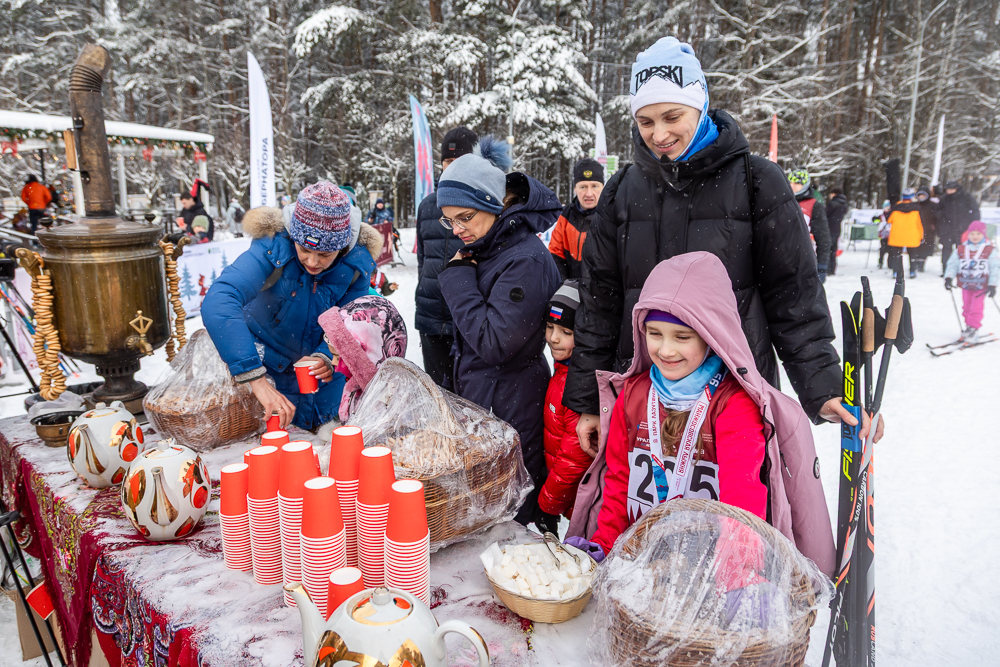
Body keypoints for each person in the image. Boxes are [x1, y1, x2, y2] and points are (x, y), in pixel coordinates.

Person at [565, 37, 869, 460]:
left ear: (701, 103)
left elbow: (793, 295)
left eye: (672, 116)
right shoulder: (621, 190)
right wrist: (586, 401)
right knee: (643, 516)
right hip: (642, 396)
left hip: (734, 398)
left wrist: (822, 385)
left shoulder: (758, 182)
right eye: (646, 121)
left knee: (732, 519)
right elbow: (599, 301)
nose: (659, 134)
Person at [564, 253, 835, 576]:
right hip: (640, 565)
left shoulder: (732, 404)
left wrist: (737, 577)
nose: (665, 350)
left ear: (711, 335)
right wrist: (605, 546)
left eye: (682, 337)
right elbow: (619, 484)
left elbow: (741, 504)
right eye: (654, 333)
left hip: (707, 572)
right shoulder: (634, 395)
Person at [436, 136, 562, 529]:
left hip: (511, 403)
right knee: (486, 503)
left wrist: (457, 279)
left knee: (512, 512)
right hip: (488, 397)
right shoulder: (490, 247)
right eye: (449, 220)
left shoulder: (524, 259)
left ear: (493, 205)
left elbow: (494, 343)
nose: (456, 229)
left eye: (465, 218)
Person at [202, 182, 382, 430]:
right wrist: (254, 376)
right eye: (304, 248)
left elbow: (349, 325)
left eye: (325, 254)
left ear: (342, 247)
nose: (312, 261)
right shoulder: (271, 249)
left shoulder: (355, 268)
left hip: (325, 390)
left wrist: (325, 354)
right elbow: (220, 299)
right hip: (267, 375)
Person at [415, 126, 478, 386]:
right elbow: (422, 259)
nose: (453, 167)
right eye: (448, 161)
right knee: (437, 395)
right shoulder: (428, 205)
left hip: (467, 319)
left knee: (469, 398)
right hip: (431, 316)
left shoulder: (483, 205)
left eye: (460, 161)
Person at [537, 281, 591, 532]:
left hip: (580, 499)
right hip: (569, 497)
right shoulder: (563, 373)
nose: (554, 338)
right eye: (549, 327)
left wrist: (548, 503)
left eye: (566, 332)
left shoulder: (578, 385)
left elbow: (574, 459)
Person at [317, 295, 408, 423]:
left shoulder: (384, 403)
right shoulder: (356, 387)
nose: (333, 363)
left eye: (338, 356)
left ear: (366, 356)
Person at [548, 158, 605, 280]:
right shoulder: (566, 216)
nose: (589, 193)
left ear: (603, 188)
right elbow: (555, 254)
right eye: (583, 187)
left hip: (602, 292)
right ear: (575, 189)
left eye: (594, 186)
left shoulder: (611, 217)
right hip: (570, 288)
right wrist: (564, 284)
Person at [944, 220, 998, 343]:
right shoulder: (961, 248)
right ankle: (968, 326)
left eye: (978, 234)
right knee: (966, 306)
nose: (975, 237)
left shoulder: (989, 250)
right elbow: (953, 264)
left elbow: (995, 267)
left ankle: (974, 328)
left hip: (981, 284)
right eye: (972, 234)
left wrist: (993, 285)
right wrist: (948, 278)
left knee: (976, 307)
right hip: (966, 284)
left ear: (984, 235)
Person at [787, 169, 832, 283]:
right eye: (790, 182)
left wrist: (822, 266)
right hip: (779, 259)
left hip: (802, 261)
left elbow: (823, 238)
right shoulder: (782, 200)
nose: (792, 186)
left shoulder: (813, 205)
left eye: (797, 183)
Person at [938, 181, 980, 277]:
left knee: (963, 250)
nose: (949, 191)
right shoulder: (944, 199)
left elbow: (975, 211)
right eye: (947, 189)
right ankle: (946, 270)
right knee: (946, 251)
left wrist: (972, 225)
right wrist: (942, 218)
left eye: (951, 189)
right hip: (947, 229)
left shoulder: (967, 197)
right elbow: (937, 211)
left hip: (963, 229)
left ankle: (962, 269)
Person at [887, 188, 924, 279]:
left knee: (897, 255)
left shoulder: (896, 207)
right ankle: (912, 271)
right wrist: (922, 236)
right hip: (912, 234)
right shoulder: (917, 208)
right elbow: (920, 223)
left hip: (897, 234)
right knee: (912, 254)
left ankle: (896, 271)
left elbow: (889, 220)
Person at [912, 187, 939, 273]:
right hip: (916, 229)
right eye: (920, 195)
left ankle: (921, 264)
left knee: (926, 248)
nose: (922, 197)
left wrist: (934, 226)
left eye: (923, 195)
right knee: (915, 247)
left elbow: (937, 217)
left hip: (929, 230)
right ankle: (914, 262)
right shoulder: (914, 205)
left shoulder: (933, 205)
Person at [826, 188, 849, 276]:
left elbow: (825, 214)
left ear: (834, 194)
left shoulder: (832, 204)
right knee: (833, 250)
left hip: (829, 228)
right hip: (837, 228)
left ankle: (827, 268)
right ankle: (832, 268)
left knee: (827, 249)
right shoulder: (844, 204)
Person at [877, 200, 891, 269]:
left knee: (890, 250)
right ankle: (880, 262)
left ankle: (890, 264)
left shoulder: (892, 214)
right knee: (882, 249)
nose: (887, 209)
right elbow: (875, 220)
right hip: (883, 235)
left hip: (890, 235)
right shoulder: (881, 215)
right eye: (886, 207)